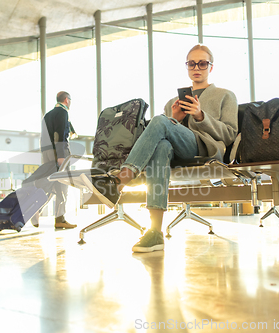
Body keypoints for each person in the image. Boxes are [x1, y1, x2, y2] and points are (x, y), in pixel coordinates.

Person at [87, 44, 238, 252]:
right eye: (192, 63)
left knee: (159, 121)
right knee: (162, 147)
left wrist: (200, 116)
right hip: (175, 151)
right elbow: (163, 134)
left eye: (202, 63)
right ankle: (155, 232)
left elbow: (230, 134)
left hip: (202, 147)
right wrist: (175, 119)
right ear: (187, 67)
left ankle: (121, 179)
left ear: (210, 67)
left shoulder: (225, 96)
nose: (197, 67)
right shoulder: (172, 102)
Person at [39, 91, 77, 229]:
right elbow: (61, 134)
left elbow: (43, 137)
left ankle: (36, 210)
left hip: (46, 152)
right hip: (58, 151)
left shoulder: (48, 115)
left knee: (50, 183)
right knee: (63, 184)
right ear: (67, 100)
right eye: (70, 100)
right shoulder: (63, 112)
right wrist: (61, 155)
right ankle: (60, 219)